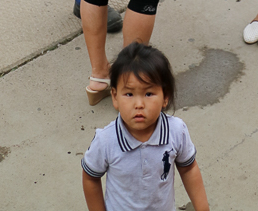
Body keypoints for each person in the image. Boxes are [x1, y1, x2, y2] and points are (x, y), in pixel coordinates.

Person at [82, 43, 210, 211]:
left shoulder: (176, 131)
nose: (139, 104)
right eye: (129, 94)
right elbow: (90, 177)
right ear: (115, 97)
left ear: (166, 97)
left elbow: (188, 169)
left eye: (149, 94)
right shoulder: (106, 140)